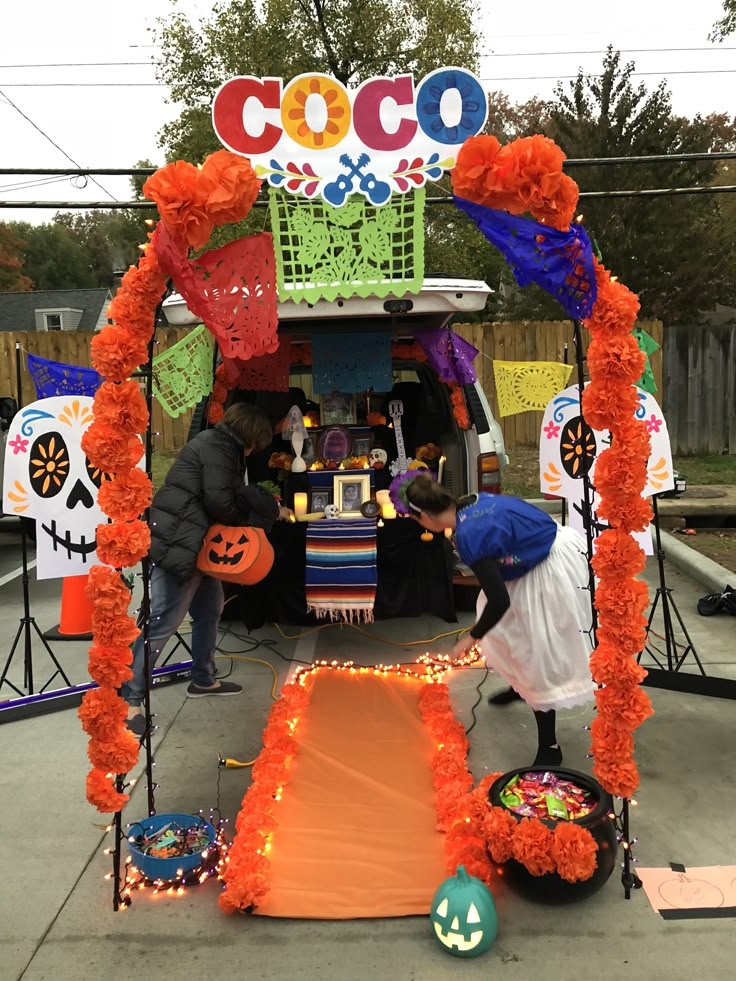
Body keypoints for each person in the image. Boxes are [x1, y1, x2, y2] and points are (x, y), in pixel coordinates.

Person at [391, 473, 594, 766]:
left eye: (415, 519)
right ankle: (520, 686)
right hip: (535, 553)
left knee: (533, 649)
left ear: (424, 515)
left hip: (545, 561)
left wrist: (469, 639)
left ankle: (549, 747)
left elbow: (500, 600)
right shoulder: (469, 502)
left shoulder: (469, 536)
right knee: (505, 633)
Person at [122, 403, 294, 735]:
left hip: (199, 546)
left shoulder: (220, 444)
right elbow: (221, 502)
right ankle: (128, 704)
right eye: (255, 444)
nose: (253, 450)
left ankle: (202, 679)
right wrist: (260, 516)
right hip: (180, 545)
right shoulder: (219, 448)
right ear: (248, 436)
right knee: (163, 623)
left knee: (209, 610)